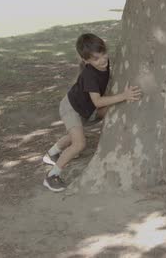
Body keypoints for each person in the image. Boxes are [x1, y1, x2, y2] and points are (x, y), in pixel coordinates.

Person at [42, 33, 141, 192]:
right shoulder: (89, 75)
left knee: (76, 134)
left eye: (103, 54)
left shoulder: (104, 64)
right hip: (71, 108)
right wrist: (124, 96)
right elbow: (98, 102)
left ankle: (52, 154)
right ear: (86, 61)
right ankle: (51, 176)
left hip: (86, 109)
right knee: (79, 143)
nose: (102, 60)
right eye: (96, 58)